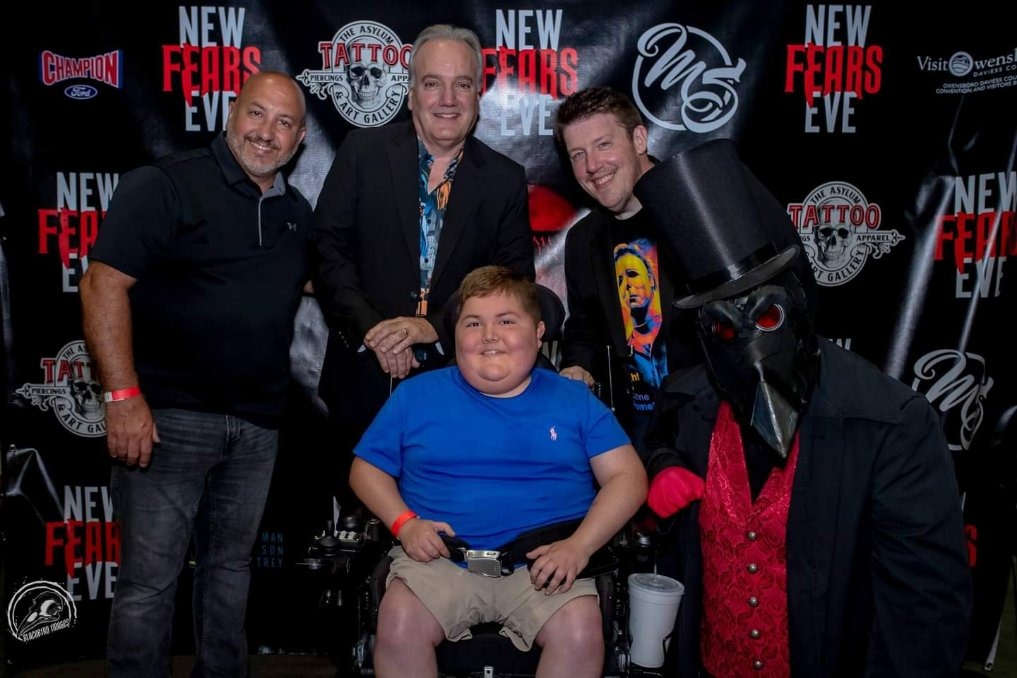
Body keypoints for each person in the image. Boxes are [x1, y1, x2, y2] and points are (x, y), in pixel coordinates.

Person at [632, 138, 972, 676]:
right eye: (723, 327)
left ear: (797, 300)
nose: (749, 346)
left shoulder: (889, 424)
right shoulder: (690, 402)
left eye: (765, 317)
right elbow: (654, 442)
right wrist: (662, 464)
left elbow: (924, 613)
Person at [79, 70, 311, 677]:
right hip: (168, 420)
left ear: (301, 138)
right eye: (258, 114)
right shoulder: (165, 185)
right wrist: (123, 395)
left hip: (258, 426)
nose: (268, 132)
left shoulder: (296, 213)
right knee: (148, 584)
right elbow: (103, 282)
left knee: (229, 576)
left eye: (284, 122)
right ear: (231, 113)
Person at [349, 265, 647, 678]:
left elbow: (628, 478)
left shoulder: (574, 400)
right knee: (398, 624)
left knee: (580, 632)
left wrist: (578, 547)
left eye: (507, 321)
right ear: (455, 337)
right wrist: (405, 524)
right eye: (473, 323)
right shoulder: (417, 395)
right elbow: (365, 470)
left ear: (539, 332)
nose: (489, 335)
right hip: (438, 563)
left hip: (545, 566)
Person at [312, 24, 535, 513]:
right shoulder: (361, 153)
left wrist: (430, 328)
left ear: (479, 95)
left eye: (463, 84)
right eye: (433, 82)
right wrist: (375, 332)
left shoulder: (503, 180)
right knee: (355, 544)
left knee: (444, 535)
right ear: (411, 93)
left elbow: (515, 284)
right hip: (361, 379)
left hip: (460, 386)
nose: (447, 98)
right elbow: (327, 252)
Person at [552, 87, 696, 455]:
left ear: (639, 138)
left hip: (708, 423)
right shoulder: (584, 240)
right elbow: (585, 324)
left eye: (603, 145)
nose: (592, 166)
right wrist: (576, 368)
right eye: (578, 155)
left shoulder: (697, 207)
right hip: (635, 431)